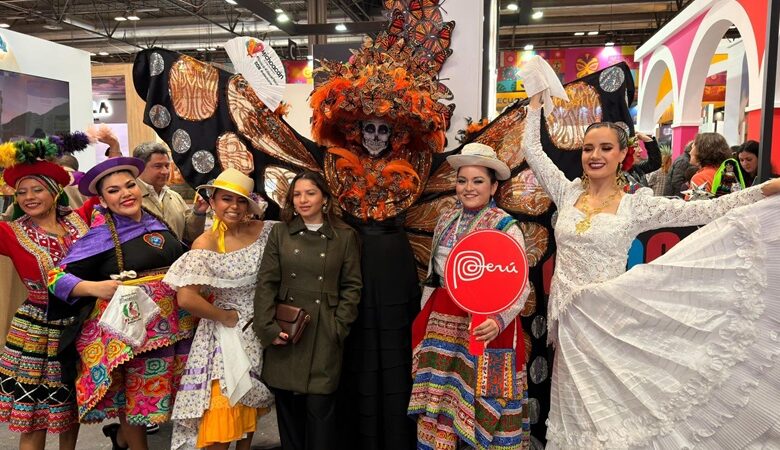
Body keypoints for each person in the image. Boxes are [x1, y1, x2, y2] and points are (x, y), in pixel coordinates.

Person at [519, 56, 780, 448]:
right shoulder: (567, 192)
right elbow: (532, 149)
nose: (594, 155)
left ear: (621, 154)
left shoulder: (637, 204)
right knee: (574, 409)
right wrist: (537, 100)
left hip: (612, 319)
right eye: (589, 148)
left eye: (605, 148)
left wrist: (765, 191)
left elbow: (704, 210)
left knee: (618, 407)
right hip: (571, 324)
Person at [47, 157, 195, 450]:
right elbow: (55, 278)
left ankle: (121, 439)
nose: (125, 193)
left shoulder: (156, 222)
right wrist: (95, 287)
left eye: (130, 185)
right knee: (136, 399)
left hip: (175, 329)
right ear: (102, 199)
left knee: (163, 398)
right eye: (114, 190)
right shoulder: (100, 235)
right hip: (133, 334)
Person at [407, 142, 531, 449]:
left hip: (484, 327)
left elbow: (521, 284)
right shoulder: (445, 220)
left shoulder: (505, 226)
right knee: (443, 403)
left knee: (483, 399)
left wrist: (499, 320)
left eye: (477, 181)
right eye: (462, 181)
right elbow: (435, 277)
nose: (468, 188)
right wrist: (424, 320)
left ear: (494, 186)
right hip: (443, 324)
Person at [164, 168, 275, 450]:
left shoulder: (266, 230)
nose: (234, 207)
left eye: (240, 201)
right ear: (213, 202)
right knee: (221, 406)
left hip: (259, 330)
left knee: (247, 405)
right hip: (223, 336)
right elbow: (187, 298)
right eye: (227, 199)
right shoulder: (207, 242)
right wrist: (226, 317)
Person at [253, 170, 362, 450]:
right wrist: (267, 329)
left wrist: (339, 326)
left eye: (310, 193)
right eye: (297, 194)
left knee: (320, 409)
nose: (303, 200)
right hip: (286, 330)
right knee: (288, 411)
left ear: (324, 198)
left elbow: (352, 286)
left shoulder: (344, 236)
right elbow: (267, 282)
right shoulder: (280, 232)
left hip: (324, 330)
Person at [0, 154, 91, 450]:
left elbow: (108, 186)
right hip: (39, 330)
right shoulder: (11, 232)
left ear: (54, 191)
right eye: (22, 192)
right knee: (35, 415)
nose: (29, 197)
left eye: (37, 189)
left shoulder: (81, 218)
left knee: (74, 405)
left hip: (83, 324)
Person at [132, 142, 207, 245]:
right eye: (158, 166)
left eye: (167, 166)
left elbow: (191, 236)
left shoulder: (175, 197)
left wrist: (198, 212)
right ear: (140, 167)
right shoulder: (130, 199)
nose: (165, 172)